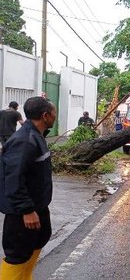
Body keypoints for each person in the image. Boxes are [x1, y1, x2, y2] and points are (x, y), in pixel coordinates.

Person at [0, 96, 56, 279]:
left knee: (36, 245)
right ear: (45, 115)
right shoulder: (24, 141)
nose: (55, 115)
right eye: (54, 112)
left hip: (38, 207)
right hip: (22, 214)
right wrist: (27, 210)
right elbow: (13, 178)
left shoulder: (36, 136)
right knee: (17, 256)